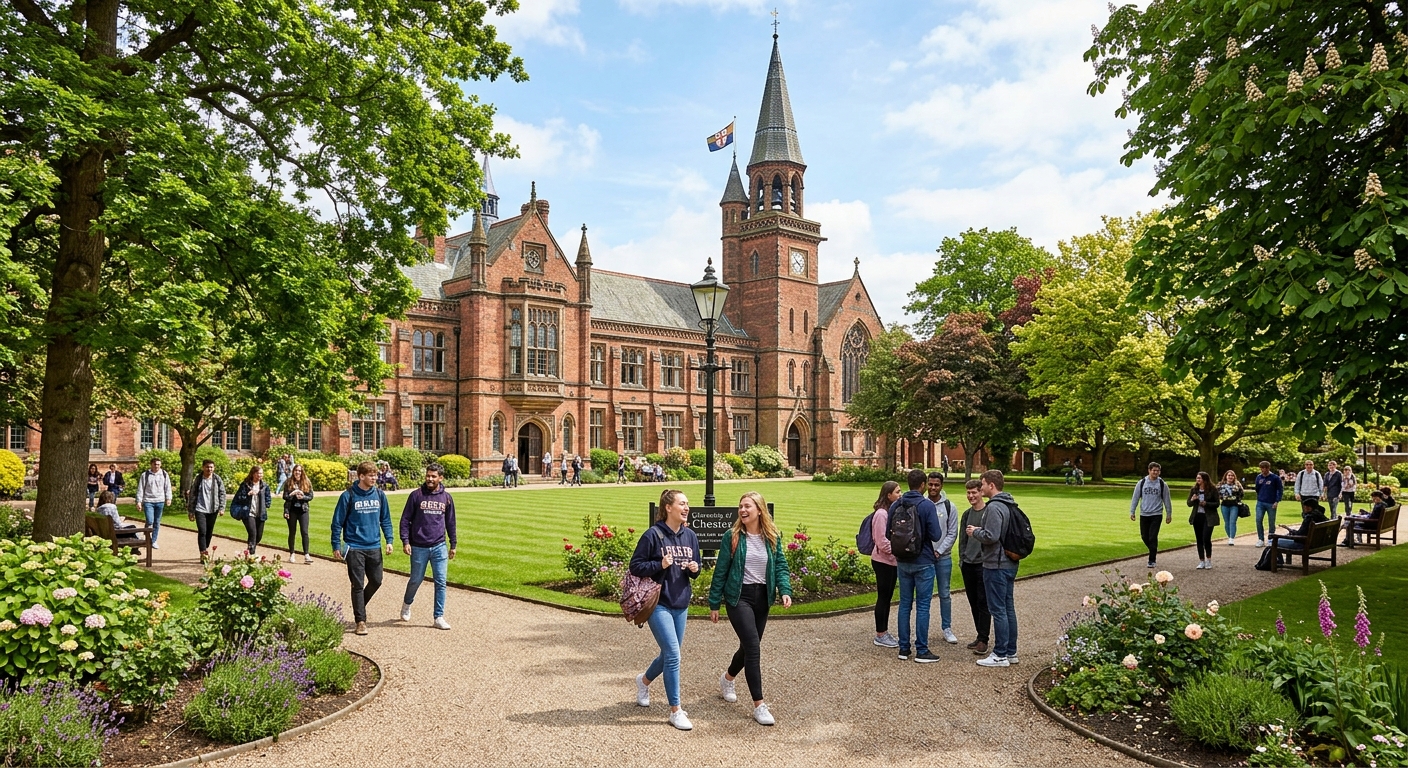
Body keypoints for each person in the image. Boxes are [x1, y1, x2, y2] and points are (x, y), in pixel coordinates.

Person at [708, 491, 792, 726]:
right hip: (739, 598)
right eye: (740, 506)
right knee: (754, 649)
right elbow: (721, 571)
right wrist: (714, 603)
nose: (742, 510)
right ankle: (759, 705)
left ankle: (727, 678)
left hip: (763, 598)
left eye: (747, 506)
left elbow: (781, 567)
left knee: (748, 647)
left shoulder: (772, 536)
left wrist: (785, 590)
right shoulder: (732, 536)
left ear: (759, 510)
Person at [630, 489, 701, 730]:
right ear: (668, 507)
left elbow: (697, 567)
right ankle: (675, 710)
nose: (686, 507)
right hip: (659, 603)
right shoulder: (653, 535)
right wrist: (659, 564)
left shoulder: (690, 535)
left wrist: (694, 568)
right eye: (682, 503)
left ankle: (644, 681)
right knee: (673, 654)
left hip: (681, 602)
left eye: (687, 504)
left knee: (669, 654)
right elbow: (635, 566)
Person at [332, 461, 394, 636]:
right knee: (357, 584)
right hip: (354, 547)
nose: (374, 478)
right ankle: (360, 621)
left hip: (374, 545)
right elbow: (337, 523)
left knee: (377, 580)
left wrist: (389, 540)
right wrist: (336, 545)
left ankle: (359, 605)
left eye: (375, 475)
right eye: (370, 475)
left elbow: (386, 520)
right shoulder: (348, 496)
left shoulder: (380, 495)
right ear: (361, 476)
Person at [887, 468, 943, 664]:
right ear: (922, 485)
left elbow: (888, 534)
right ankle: (922, 649)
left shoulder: (896, 505)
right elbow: (936, 535)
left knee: (904, 605)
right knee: (923, 605)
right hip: (923, 560)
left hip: (903, 561)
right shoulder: (926, 505)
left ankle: (903, 648)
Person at [968, 469, 1020, 668]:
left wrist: (976, 531)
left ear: (991, 485)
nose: (980, 488)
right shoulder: (1010, 503)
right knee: (1007, 608)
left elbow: (991, 536)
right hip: (1008, 562)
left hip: (996, 564)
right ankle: (1010, 651)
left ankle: (1000, 654)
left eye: (982, 484)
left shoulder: (994, 507)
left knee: (998, 609)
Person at [399, 462, 457, 630]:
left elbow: (451, 522)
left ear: (441, 478)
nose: (430, 479)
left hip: (439, 546)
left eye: (433, 476)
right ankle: (407, 604)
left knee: (441, 581)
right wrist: (405, 541)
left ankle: (438, 617)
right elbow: (405, 520)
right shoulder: (416, 495)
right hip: (419, 546)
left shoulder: (446, 498)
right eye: (428, 476)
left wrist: (453, 544)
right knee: (416, 580)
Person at [957, 479, 992, 656]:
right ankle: (980, 635)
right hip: (968, 563)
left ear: (981, 493)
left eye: (974, 493)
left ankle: (984, 639)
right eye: (968, 493)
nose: (971, 496)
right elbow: (962, 540)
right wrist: (962, 559)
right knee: (973, 602)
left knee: (983, 601)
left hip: (983, 564)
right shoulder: (966, 514)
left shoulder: (988, 513)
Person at [925, 471, 960, 645]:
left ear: (941, 486)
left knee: (945, 593)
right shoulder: (921, 505)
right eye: (930, 484)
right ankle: (922, 629)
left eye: (936, 485)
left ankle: (947, 628)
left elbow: (953, 533)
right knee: (924, 595)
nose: (933, 488)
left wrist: (939, 550)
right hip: (924, 557)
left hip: (943, 556)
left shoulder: (949, 507)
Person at [868, 481, 901, 648]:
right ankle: (880, 634)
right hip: (883, 561)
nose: (900, 494)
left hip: (890, 561)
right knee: (883, 597)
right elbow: (881, 541)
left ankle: (883, 632)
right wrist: (898, 551)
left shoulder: (890, 511)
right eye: (897, 492)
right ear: (888, 495)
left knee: (887, 597)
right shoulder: (881, 514)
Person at [1128, 462, 1173, 568]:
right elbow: (1135, 497)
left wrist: (1169, 514)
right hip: (1144, 513)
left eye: (1157, 471)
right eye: (1154, 470)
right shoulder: (1142, 483)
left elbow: (1167, 500)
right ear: (1149, 470)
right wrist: (1132, 511)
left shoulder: (1162, 484)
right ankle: (1153, 549)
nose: (1155, 472)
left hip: (1156, 514)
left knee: (1153, 536)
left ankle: (1152, 559)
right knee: (1144, 536)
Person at [186, 458, 226, 560]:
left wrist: (222, 508)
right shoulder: (198, 479)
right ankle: (203, 553)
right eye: (207, 467)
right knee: (202, 531)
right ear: (203, 467)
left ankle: (205, 547)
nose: (209, 469)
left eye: (211, 467)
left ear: (214, 468)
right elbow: (193, 494)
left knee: (209, 532)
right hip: (200, 509)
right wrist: (191, 511)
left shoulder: (217, 479)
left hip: (213, 509)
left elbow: (222, 494)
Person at [233, 465, 272, 556]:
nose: (260, 475)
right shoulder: (245, 485)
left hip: (260, 513)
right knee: (253, 533)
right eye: (258, 473)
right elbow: (239, 497)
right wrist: (247, 494)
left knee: (258, 536)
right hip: (248, 513)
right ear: (253, 474)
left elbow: (268, 497)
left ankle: (249, 548)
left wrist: (266, 504)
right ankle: (252, 555)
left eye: (261, 473)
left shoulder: (264, 485)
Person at [1274, 499, 1329, 564]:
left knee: (1274, 541)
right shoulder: (1322, 518)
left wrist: (1291, 532)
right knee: (1285, 536)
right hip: (1318, 543)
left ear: (1308, 508)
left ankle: (1279, 562)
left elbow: (1299, 535)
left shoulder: (1309, 518)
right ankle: (1281, 561)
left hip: (1304, 544)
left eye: (1304, 507)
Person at [135, 457, 173, 550]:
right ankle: (147, 533)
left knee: (157, 522)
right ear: (151, 464)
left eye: (158, 465)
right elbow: (141, 488)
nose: (157, 466)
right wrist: (139, 501)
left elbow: (168, 486)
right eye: (155, 464)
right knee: (150, 520)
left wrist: (169, 498)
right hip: (148, 501)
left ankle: (154, 540)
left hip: (160, 501)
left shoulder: (164, 474)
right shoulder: (145, 475)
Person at [283, 464, 315, 564]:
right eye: (296, 470)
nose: (298, 472)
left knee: (304, 532)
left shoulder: (306, 482)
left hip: (303, 510)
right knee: (292, 532)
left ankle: (306, 555)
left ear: (302, 472)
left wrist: (303, 497)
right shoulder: (288, 482)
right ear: (293, 471)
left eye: (300, 471)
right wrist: (292, 494)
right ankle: (292, 554)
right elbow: (285, 496)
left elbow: (310, 496)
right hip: (292, 510)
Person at [1188, 471, 1220, 569]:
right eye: (1197, 478)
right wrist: (1193, 500)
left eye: (1200, 478)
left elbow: (1217, 503)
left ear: (1205, 479)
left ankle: (1208, 560)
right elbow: (1189, 503)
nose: (1198, 480)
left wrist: (1206, 503)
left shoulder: (1212, 489)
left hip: (1209, 517)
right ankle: (1201, 560)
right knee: (1199, 539)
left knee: (1206, 538)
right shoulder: (1194, 489)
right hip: (1197, 516)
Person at [1253, 461, 1284, 548]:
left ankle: (1270, 538)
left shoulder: (1275, 478)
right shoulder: (1259, 477)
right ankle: (1261, 539)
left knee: (1271, 521)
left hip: (1271, 503)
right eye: (1261, 468)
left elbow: (1279, 490)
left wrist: (1277, 501)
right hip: (1260, 502)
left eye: (1264, 468)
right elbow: (1257, 488)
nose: (1263, 470)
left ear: (1268, 468)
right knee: (1258, 520)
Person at [1217, 470, 1243, 545]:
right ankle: (1229, 536)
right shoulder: (1220, 485)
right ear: (1226, 476)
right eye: (1229, 475)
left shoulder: (1237, 484)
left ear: (1234, 477)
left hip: (1234, 505)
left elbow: (1241, 493)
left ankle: (1232, 538)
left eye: (1232, 475)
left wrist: (1237, 499)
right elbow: (1216, 493)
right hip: (1224, 505)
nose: (1230, 477)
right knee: (1227, 522)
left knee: (1232, 521)